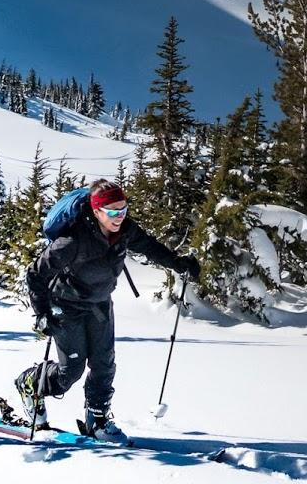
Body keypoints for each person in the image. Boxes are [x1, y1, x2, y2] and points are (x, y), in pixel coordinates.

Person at [15, 179, 200, 439]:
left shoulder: (125, 230)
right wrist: (42, 313)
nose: (119, 216)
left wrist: (178, 263)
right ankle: (30, 383)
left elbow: (149, 246)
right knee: (71, 371)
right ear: (96, 211)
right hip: (66, 306)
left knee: (104, 364)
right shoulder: (72, 241)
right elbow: (35, 273)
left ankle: (98, 421)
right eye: (113, 212)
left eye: (123, 209)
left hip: (99, 303)